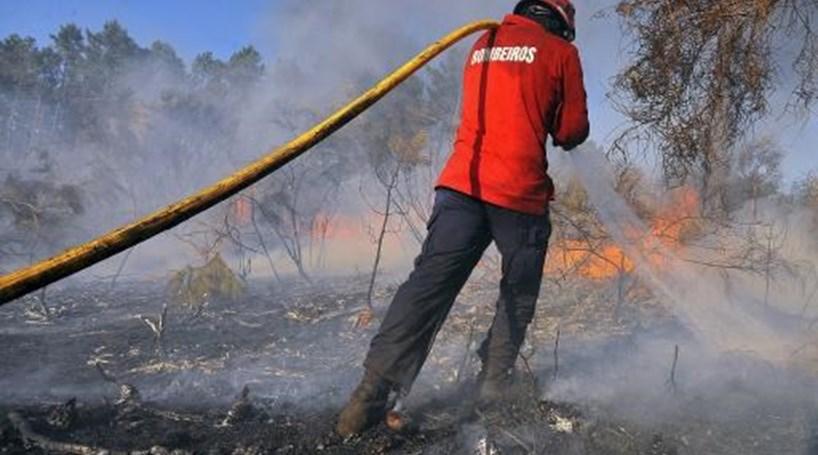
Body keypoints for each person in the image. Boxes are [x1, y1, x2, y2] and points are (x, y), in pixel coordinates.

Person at [337, 0, 589, 437]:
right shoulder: (560, 53)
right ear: (561, 22)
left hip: (460, 187)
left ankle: (369, 393)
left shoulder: (481, 43)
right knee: (518, 291)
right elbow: (571, 131)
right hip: (518, 193)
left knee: (429, 285)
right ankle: (492, 387)